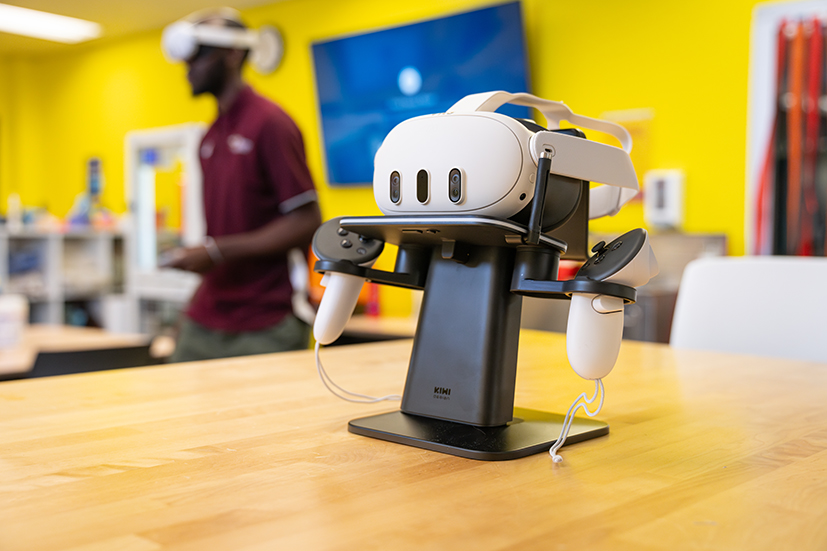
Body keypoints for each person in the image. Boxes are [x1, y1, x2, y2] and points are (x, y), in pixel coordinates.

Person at [163, 9, 322, 362]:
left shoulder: (270, 123)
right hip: (207, 317)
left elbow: (306, 220)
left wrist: (217, 251)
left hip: (265, 319)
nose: (189, 67)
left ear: (234, 54)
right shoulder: (209, 137)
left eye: (199, 55)